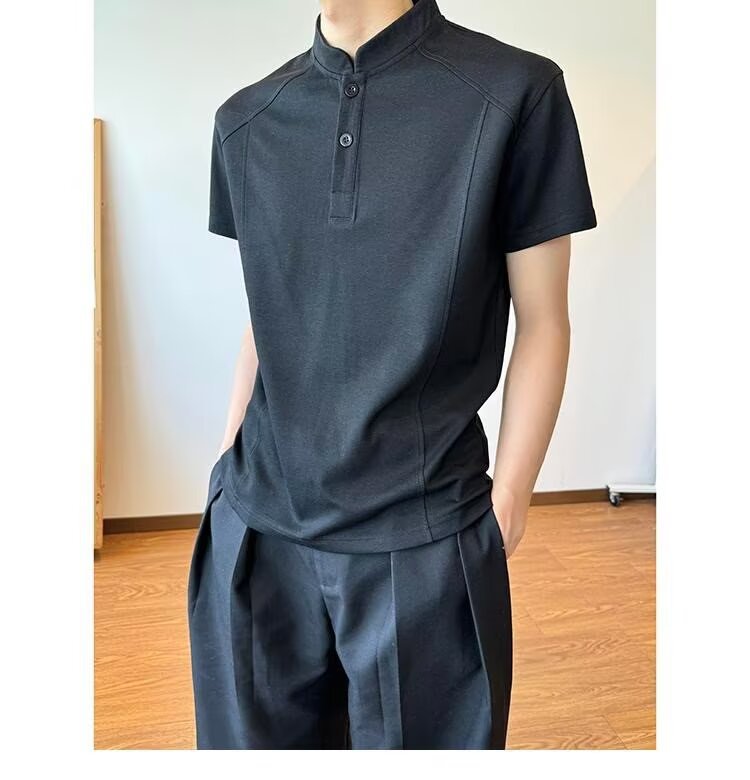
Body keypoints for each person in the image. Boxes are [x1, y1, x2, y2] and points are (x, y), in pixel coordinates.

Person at [187, 0, 596, 749]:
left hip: (424, 536)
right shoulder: (246, 120)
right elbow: (270, 312)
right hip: (258, 531)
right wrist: (225, 468)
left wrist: (508, 499)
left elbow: (544, 320)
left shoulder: (514, 93)